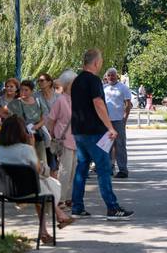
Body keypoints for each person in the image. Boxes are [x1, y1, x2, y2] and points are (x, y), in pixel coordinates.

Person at [70, 48, 133, 220]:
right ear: (96, 62)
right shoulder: (94, 80)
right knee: (104, 168)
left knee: (81, 168)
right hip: (94, 132)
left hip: (78, 131)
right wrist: (110, 127)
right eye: (101, 61)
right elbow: (98, 103)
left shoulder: (76, 81)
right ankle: (112, 208)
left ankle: (77, 206)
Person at [0, 116, 74, 244]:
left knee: (41, 184)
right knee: (48, 183)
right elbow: (39, 170)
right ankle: (57, 215)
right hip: (27, 190)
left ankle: (46, 229)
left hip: (4, 192)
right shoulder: (26, 149)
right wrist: (32, 147)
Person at [47, 70, 77, 208]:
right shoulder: (60, 100)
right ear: (67, 84)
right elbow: (51, 120)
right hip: (64, 139)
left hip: (77, 139)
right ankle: (60, 199)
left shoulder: (78, 99)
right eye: (74, 82)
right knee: (65, 170)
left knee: (74, 170)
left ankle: (70, 197)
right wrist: (53, 136)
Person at [7, 80, 50, 164]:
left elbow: (45, 117)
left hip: (38, 135)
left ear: (31, 91)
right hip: (22, 137)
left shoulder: (38, 101)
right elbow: (13, 119)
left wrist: (37, 126)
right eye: (21, 90)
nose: (23, 92)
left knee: (41, 161)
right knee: (26, 162)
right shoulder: (15, 103)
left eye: (26, 90)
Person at [103, 68, 132, 179]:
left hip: (118, 120)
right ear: (106, 77)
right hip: (106, 121)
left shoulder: (123, 88)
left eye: (113, 75)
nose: (111, 77)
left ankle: (123, 170)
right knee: (107, 145)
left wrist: (125, 118)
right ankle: (109, 168)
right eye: (109, 75)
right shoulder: (104, 88)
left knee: (120, 145)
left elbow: (128, 104)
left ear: (117, 76)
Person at [35, 73, 60, 176]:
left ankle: (55, 183)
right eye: (38, 81)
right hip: (42, 129)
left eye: (42, 80)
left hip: (56, 129)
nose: (39, 83)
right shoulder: (36, 95)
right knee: (46, 156)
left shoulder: (58, 96)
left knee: (54, 157)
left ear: (49, 82)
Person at [0, 78, 20, 142]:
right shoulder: (0, 100)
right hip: (3, 128)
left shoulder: (19, 100)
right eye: (7, 86)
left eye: (11, 86)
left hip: (17, 130)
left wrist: (4, 114)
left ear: (16, 88)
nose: (9, 88)